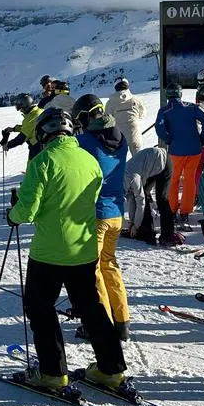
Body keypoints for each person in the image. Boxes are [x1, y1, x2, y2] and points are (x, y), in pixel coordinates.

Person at [7, 108, 127, 391]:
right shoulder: (88, 159)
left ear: (43, 134)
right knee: (92, 309)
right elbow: (92, 196)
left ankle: (52, 373)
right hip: (84, 250)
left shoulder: (43, 161)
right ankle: (111, 370)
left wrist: (13, 215)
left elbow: (27, 211)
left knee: (40, 309)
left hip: (49, 252)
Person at [72, 95, 131, 340]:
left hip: (96, 215)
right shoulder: (121, 139)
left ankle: (101, 324)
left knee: (93, 271)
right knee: (110, 265)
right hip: (117, 212)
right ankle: (122, 322)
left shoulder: (84, 141)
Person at [155, 83, 204, 228]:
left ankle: (173, 210)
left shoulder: (165, 110)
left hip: (176, 151)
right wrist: (202, 138)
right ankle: (185, 211)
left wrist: (168, 139)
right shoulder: (192, 107)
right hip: (195, 149)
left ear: (167, 95)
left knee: (173, 180)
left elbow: (159, 128)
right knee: (189, 180)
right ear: (180, 94)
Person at [123, 146, 179, 246]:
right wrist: (131, 223)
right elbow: (131, 200)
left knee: (162, 199)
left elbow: (141, 202)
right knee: (144, 192)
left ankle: (168, 234)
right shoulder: (124, 181)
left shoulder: (132, 179)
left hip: (165, 162)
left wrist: (135, 225)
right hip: (152, 163)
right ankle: (146, 230)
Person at [106, 77, 148, 155]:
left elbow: (108, 119)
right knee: (137, 159)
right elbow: (142, 113)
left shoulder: (110, 102)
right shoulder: (136, 100)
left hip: (118, 137)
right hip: (134, 135)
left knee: (120, 162)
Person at [1, 95, 44, 160]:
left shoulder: (32, 117)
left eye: (21, 109)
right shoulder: (39, 111)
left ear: (26, 107)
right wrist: (13, 129)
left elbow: (21, 138)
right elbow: (30, 127)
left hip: (38, 148)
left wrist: (8, 145)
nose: (21, 111)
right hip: (44, 144)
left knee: (32, 168)